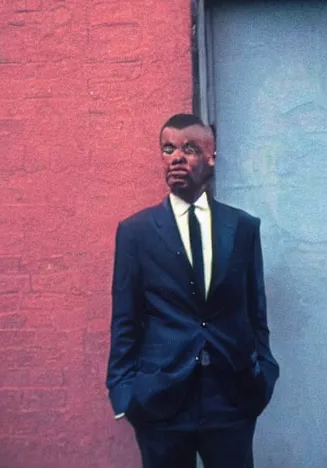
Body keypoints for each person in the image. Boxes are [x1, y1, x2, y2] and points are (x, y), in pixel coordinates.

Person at [106, 113, 279, 468]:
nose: (177, 157)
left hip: (230, 396)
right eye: (168, 149)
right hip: (161, 400)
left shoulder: (243, 227)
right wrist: (124, 393)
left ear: (211, 156)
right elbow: (125, 318)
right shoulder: (135, 232)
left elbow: (255, 311)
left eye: (190, 148)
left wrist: (263, 374)